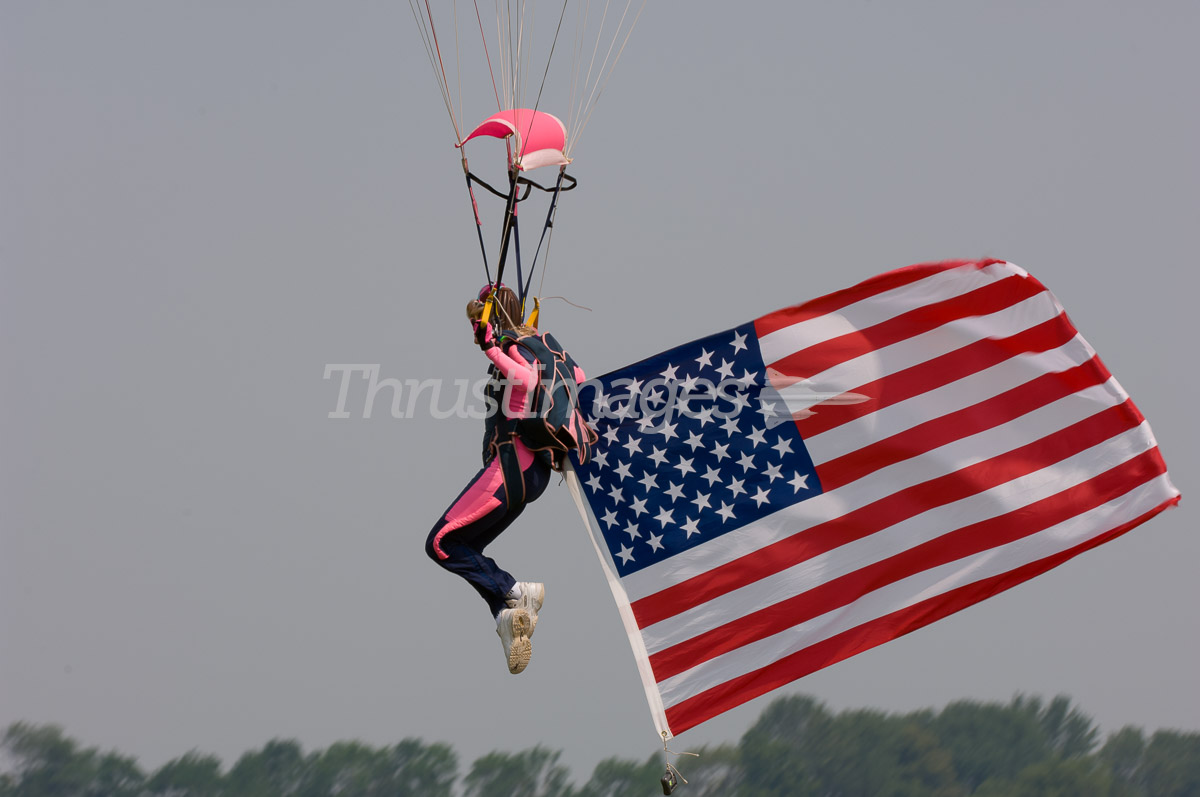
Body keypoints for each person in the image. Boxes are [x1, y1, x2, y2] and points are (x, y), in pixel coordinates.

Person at [424, 283, 589, 674]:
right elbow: (578, 375)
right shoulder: (536, 344)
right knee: (468, 550)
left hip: (509, 468)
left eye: (475, 321)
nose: (473, 330)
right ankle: (505, 618)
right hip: (533, 477)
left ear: (489, 319)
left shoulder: (511, 347)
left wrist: (493, 348)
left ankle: (517, 592)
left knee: (441, 543)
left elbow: (528, 381)